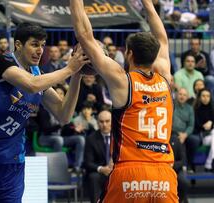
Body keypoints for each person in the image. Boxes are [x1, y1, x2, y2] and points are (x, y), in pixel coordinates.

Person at [0, 22, 89, 202]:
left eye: (42, 45)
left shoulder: (37, 72)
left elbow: (63, 115)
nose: (40, 50)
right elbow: (31, 85)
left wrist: (77, 75)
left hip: (13, 162)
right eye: (34, 44)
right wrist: (70, 68)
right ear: (18, 45)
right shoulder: (1, 62)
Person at [70, 0, 178, 202]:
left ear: (129, 53)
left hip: (130, 172)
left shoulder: (123, 81)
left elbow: (84, 36)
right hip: (164, 174)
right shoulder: (165, 77)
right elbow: (162, 38)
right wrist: (147, 3)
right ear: (154, 55)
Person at [84, 110, 113, 203]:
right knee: (93, 177)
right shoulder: (91, 139)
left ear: (112, 122)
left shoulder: (119, 137)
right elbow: (88, 163)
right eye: (101, 121)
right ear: (97, 122)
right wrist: (101, 169)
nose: (104, 124)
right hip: (100, 173)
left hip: (117, 171)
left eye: (107, 121)